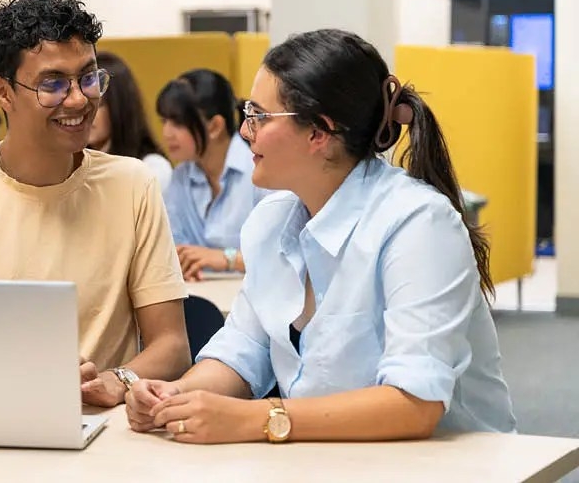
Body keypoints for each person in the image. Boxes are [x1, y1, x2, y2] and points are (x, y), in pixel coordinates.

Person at [125, 29, 516, 443]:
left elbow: (414, 403)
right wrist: (176, 395)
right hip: (335, 459)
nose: (245, 131)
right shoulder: (271, 220)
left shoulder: (418, 223)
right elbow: (242, 349)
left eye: (259, 116)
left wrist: (256, 418)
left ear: (319, 133)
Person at [0, 0, 191, 408]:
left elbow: (172, 344)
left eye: (88, 77)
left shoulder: (132, 184)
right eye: (53, 85)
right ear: (3, 92)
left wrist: (119, 378)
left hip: (95, 431)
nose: (80, 99)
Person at [158, 69, 265, 280]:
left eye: (178, 123)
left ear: (215, 126)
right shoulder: (180, 177)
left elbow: (282, 257)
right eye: (164, 121)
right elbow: (171, 250)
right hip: (201, 297)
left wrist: (227, 259)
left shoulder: (260, 171)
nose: (167, 133)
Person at [87, 51, 172, 189]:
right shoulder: (70, 168)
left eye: (98, 104)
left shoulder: (152, 168)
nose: (86, 113)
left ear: (119, 106)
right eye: (82, 104)